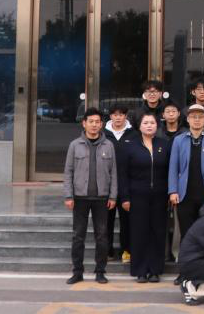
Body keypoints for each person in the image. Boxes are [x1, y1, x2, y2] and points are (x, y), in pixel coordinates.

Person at [62, 107, 117, 285]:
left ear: (102, 125)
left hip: (102, 198)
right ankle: (77, 272)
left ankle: (100, 271)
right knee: (78, 236)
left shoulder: (108, 145)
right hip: (80, 198)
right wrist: (68, 195)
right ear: (84, 123)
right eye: (91, 121)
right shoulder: (74, 145)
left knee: (102, 236)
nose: (94, 125)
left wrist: (113, 196)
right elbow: (68, 172)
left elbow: (114, 173)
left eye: (97, 122)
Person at [119, 112, 170, 283]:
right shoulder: (130, 146)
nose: (149, 125)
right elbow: (123, 174)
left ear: (157, 125)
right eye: (145, 123)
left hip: (160, 196)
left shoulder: (165, 145)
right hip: (136, 196)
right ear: (139, 126)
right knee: (139, 232)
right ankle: (140, 270)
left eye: (152, 123)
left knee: (158, 232)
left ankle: (155, 270)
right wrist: (124, 197)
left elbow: (170, 171)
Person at [168, 104, 204, 251]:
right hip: (184, 194)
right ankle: (186, 264)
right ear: (187, 119)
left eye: (200, 117)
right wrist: (173, 190)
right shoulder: (179, 140)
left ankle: (203, 264)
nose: (197, 120)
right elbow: (173, 167)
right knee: (186, 232)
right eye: (193, 117)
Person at [103, 105, 137, 264]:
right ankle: (107, 251)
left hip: (127, 185)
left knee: (127, 221)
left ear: (125, 116)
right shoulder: (103, 134)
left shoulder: (134, 134)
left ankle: (127, 251)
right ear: (110, 116)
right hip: (106, 185)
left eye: (121, 114)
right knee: (106, 221)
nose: (118, 117)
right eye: (115, 114)